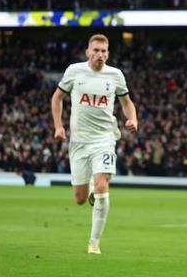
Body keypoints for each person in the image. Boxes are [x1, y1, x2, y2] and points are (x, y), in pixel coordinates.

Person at [51, 34, 138, 254]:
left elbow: (127, 102)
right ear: (88, 52)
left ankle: (94, 242)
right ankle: (89, 187)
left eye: (104, 51)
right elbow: (57, 98)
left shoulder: (115, 75)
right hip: (79, 141)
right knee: (80, 199)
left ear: (108, 54)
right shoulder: (74, 71)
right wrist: (58, 126)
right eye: (96, 50)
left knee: (102, 185)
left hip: (104, 139)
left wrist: (133, 119)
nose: (100, 54)